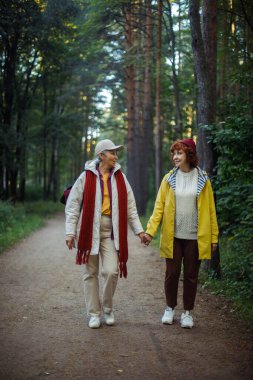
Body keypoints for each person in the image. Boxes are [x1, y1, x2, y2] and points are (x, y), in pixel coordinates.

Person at [65, 139, 145, 329]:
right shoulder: (86, 177)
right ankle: (94, 313)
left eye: (116, 153)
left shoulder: (120, 178)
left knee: (111, 271)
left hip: (111, 231)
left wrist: (139, 231)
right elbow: (73, 205)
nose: (116, 156)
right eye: (112, 153)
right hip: (89, 230)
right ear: (101, 155)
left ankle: (107, 308)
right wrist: (70, 232)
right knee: (90, 273)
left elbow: (131, 207)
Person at [143, 139, 219, 328]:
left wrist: (213, 237)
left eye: (180, 153)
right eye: (174, 153)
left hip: (195, 237)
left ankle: (187, 313)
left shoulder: (203, 179)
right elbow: (158, 207)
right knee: (172, 273)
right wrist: (150, 231)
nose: (175, 157)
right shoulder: (169, 179)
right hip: (173, 236)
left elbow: (211, 210)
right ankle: (169, 308)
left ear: (189, 155)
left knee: (191, 275)